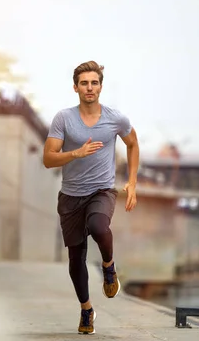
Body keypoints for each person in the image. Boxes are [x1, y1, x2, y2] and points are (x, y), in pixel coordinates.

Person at [43, 60, 140, 335]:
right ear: (75, 87)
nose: (89, 87)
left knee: (99, 227)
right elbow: (48, 158)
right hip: (71, 196)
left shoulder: (115, 119)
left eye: (94, 83)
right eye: (84, 83)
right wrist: (75, 153)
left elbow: (132, 144)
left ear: (100, 87)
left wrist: (132, 183)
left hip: (102, 190)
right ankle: (87, 310)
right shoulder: (64, 118)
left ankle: (109, 267)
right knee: (76, 258)